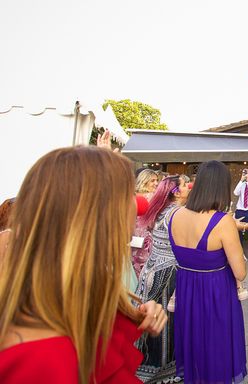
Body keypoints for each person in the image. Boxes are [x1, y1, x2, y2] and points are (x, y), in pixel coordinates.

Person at [0, 146, 167, 384]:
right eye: (127, 193)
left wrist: (133, 315)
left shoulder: (80, 297)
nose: (137, 203)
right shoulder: (41, 360)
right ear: (96, 213)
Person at [168, 160, 247, 384]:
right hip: (215, 292)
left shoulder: (175, 215)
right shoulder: (223, 221)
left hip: (186, 289)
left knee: (194, 344)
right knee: (216, 349)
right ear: (221, 187)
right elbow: (240, 273)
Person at [135, 174, 190, 383]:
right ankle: (163, 370)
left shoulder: (158, 210)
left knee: (152, 316)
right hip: (168, 274)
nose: (188, 188)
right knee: (165, 320)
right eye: (185, 186)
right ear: (175, 192)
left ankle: (146, 364)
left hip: (151, 269)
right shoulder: (177, 213)